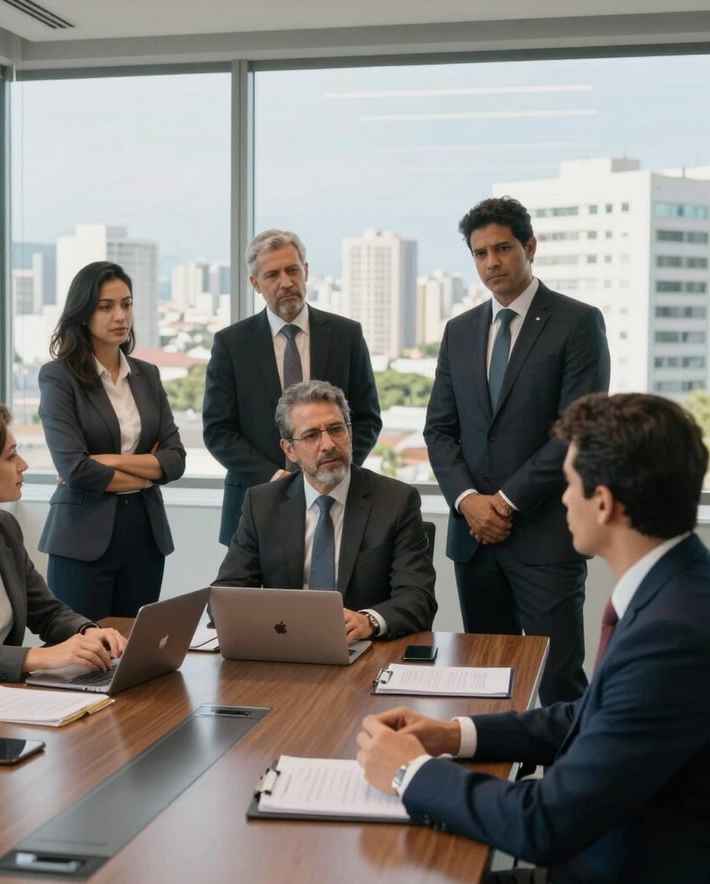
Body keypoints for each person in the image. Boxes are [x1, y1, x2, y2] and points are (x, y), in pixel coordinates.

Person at [357, 392, 710, 883]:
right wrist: (454, 735)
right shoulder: (678, 589)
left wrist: (408, 772)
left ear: (604, 503)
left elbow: (541, 822)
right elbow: (590, 716)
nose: (564, 498)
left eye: (569, 484)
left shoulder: (672, 636)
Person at [424, 196, 610, 705]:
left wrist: (503, 502)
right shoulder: (458, 331)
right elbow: (438, 430)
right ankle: (500, 783)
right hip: (474, 541)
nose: (492, 263)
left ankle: (572, 784)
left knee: (558, 683)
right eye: (480, 253)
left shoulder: (577, 323)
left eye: (503, 248)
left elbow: (578, 430)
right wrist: (468, 501)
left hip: (544, 538)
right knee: (485, 679)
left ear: (529, 247)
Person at [214, 380, 436, 640]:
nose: (328, 444)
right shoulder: (262, 503)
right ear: (289, 450)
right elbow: (225, 594)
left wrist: (369, 621)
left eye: (336, 429)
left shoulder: (396, 501)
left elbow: (418, 597)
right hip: (286, 648)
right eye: (311, 435)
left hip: (364, 650)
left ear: (350, 434)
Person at [203, 229, 382, 546]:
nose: (285, 282)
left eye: (292, 270)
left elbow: (367, 419)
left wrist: (330, 473)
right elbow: (219, 431)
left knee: (331, 593)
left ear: (306, 271)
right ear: (255, 284)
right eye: (272, 275)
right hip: (255, 500)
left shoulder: (346, 336)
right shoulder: (231, 344)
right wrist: (277, 480)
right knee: (254, 596)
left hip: (335, 497)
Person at [38, 261, 186, 621]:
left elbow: (176, 459)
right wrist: (149, 474)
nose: (120, 315)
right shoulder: (59, 377)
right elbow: (75, 469)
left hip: (144, 536)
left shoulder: (146, 375)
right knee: (83, 654)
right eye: (106, 307)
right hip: (82, 537)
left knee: (136, 651)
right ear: (83, 312)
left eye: (127, 304)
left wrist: (108, 459)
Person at [0, 403, 126, 692]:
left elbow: (47, 612)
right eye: (11, 456)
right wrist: (38, 657)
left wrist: (88, 633)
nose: (23, 465)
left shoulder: (5, 531)